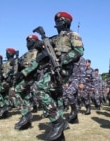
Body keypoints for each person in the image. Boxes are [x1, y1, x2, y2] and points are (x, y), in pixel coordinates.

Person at [30, 11, 84, 140]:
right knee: (56, 99)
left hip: (62, 70)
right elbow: (43, 55)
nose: (57, 23)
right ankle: (60, 136)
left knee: (38, 89)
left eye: (60, 21)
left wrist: (63, 59)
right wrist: (39, 46)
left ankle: (58, 122)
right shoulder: (53, 38)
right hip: (52, 70)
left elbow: (79, 51)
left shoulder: (73, 35)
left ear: (65, 22)